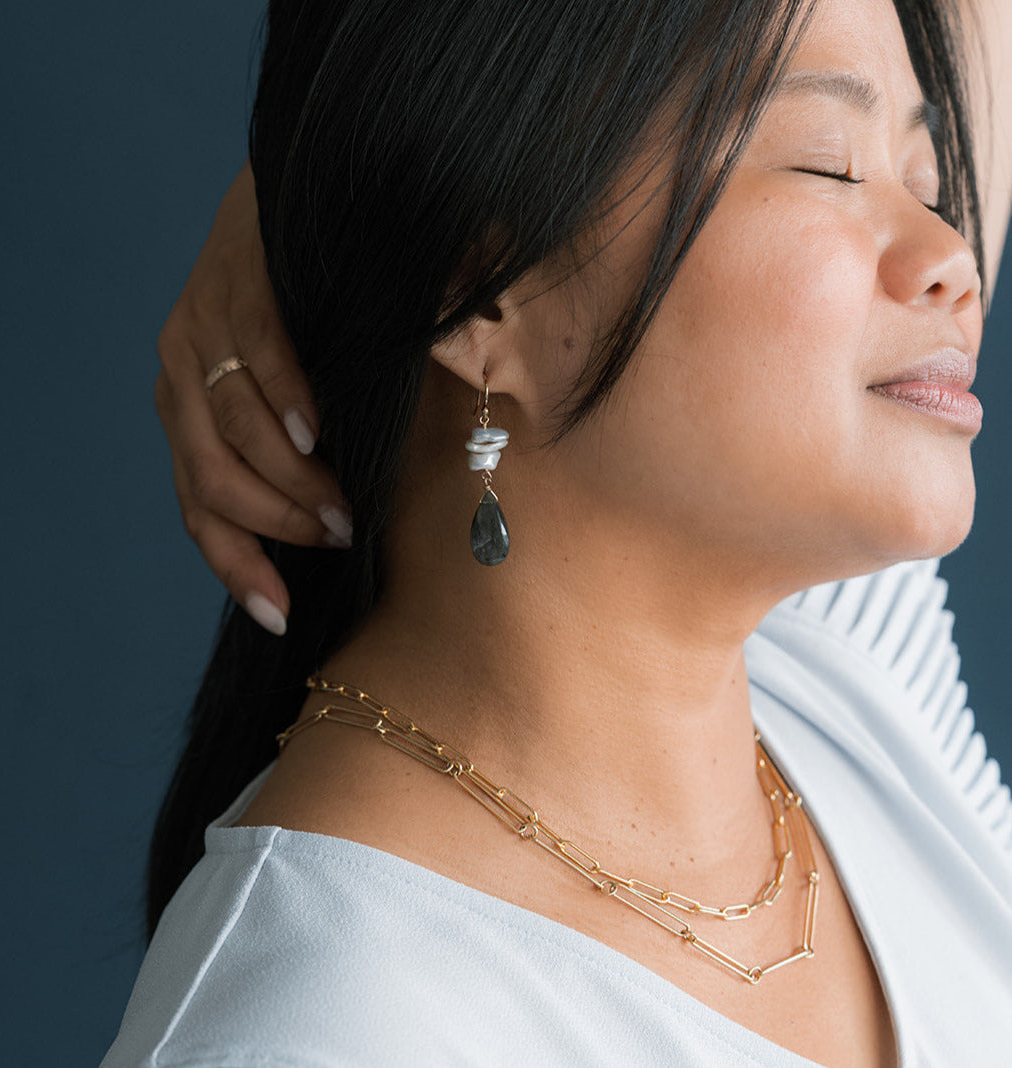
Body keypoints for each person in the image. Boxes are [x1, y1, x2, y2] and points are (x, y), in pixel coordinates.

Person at [104, 0, 1012, 1064]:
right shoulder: (326, 1027)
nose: (951, 250)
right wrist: (371, 181)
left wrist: (305, 187)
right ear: (478, 292)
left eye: (931, 180)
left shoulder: (846, 693)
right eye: (826, 164)